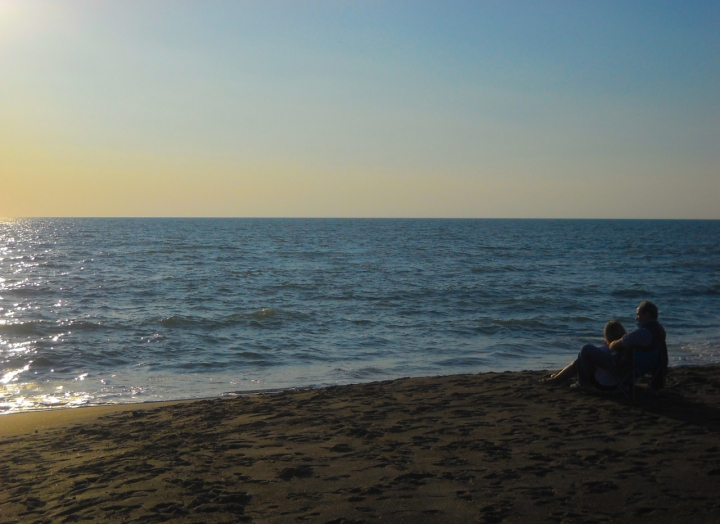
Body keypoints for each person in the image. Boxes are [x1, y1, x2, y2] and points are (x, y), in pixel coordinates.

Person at [542, 320, 626, 387]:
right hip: (622, 383)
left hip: (604, 385)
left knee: (579, 360)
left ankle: (557, 379)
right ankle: (557, 378)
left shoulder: (605, 350)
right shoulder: (624, 351)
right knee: (580, 361)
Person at [608, 300, 668, 390]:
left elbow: (615, 345)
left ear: (647, 315)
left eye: (638, 314)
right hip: (651, 366)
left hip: (632, 369)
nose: (636, 318)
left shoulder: (642, 333)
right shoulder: (660, 331)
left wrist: (610, 343)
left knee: (587, 351)